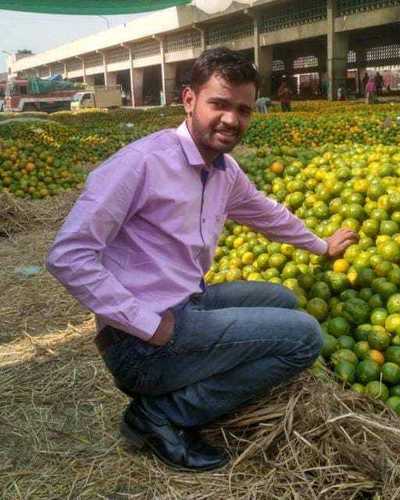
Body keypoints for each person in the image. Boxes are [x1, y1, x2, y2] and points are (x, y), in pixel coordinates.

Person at [46, 48, 359, 472]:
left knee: (282, 299)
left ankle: (178, 384)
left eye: (243, 109)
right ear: (189, 100)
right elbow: (68, 255)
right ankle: (164, 414)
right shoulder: (141, 163)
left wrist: (322, 246)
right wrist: (146, 323)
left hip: (184, 304)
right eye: (220, 104)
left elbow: (266, 213)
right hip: (140, 343)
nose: (232, 120)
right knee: (304, 337)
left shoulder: (224, 171)